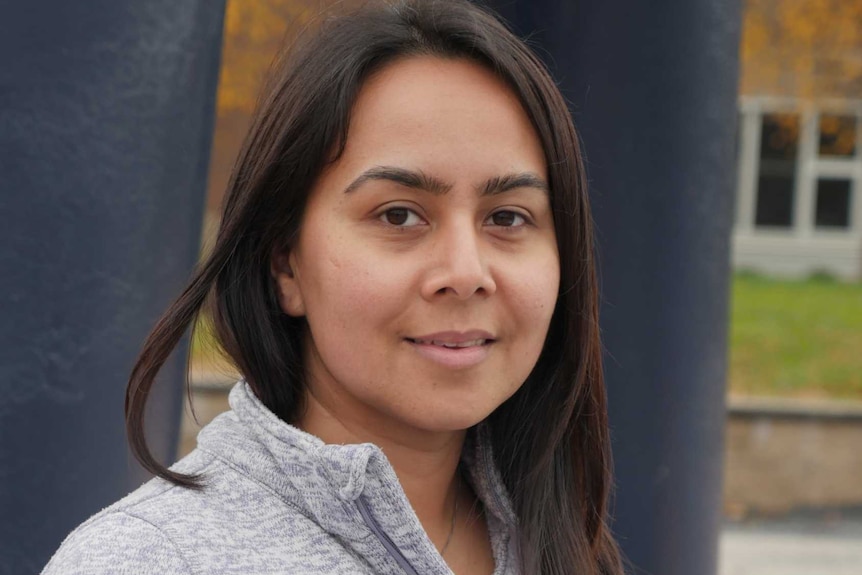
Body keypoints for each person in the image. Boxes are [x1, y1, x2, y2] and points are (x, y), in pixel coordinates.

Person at [43, 1, 623, 573]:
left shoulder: (558, 542)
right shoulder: (149, 560)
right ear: (285, 264)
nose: (467, 273)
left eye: (508, 218)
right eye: (399, 216)